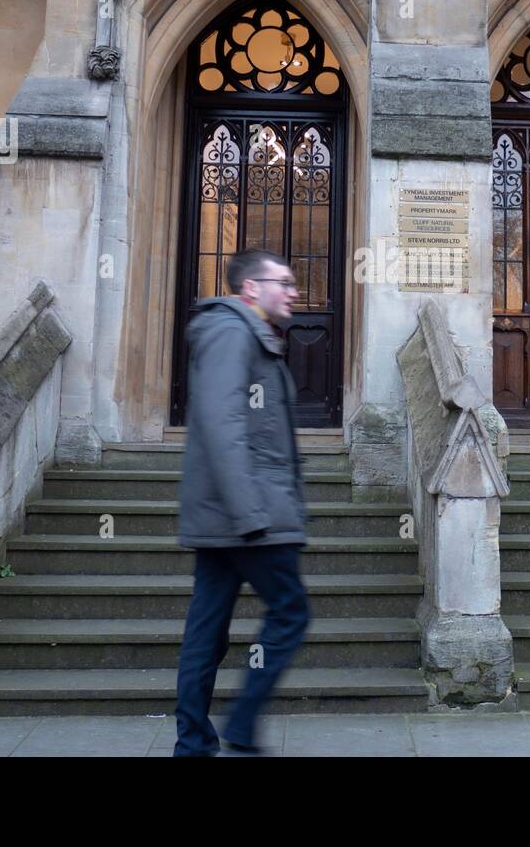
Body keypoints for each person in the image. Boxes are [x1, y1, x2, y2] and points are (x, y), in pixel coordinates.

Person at [172, 248, 310, 757]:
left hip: (225, 514)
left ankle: (193, 744)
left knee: (206, 631)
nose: (294, 292)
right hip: (247, 515)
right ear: (252, 288)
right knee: (291, 613)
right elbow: (222, 422)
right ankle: (242, 726)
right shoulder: (232, 332)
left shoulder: (244, 333)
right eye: (285, 282)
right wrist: (251, 512)